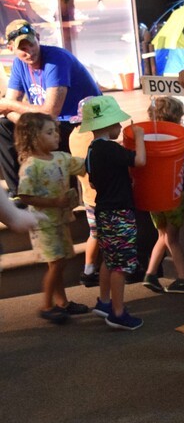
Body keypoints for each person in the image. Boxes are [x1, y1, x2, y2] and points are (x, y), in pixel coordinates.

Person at [0, 20, 101, 199]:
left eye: (32, 44)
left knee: (46, 131)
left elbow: (49, 112)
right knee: (3, 127)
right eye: (22, 48)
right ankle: (20, 195)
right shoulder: (18, 64)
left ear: (38, 38)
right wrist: (28, 124)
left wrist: (8, 105)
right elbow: (8, 108)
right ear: (11, 48)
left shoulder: (56, 59)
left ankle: (64, 193)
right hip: (50, 122)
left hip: (80, 121)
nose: (29, 52)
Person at [14, 112, 89, 324]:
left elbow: (84, 164)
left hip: (60, 221)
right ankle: (46, 305)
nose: (56, 135)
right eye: (49, 132)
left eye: (55, 131)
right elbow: (25, 195)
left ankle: (61, 302)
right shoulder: (31, 166)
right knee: (57, 263)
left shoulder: (61, 158)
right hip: (43, 224)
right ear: (33, 137)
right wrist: (55, 202)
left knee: (60, 263)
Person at [79, 95, 146, 331]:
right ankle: (118, 313)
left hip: (103, 211)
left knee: (109, 259)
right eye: (117, 123)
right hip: (120, 214)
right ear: (107, 125)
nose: (119, 127)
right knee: (121, 265)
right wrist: (139, 137)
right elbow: (140, 161)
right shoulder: (110, 148)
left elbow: (95, 182)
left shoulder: (92, 150)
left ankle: (105, 301)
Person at [142, 96, 184, 294]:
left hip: (153, 196)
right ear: (177, 117)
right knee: (172, 239)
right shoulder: (179, 141)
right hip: (173, 196)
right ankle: (183, 278)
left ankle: (150, 273)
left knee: (162, 234)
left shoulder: (147, 140)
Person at [69, 97, 100, 288]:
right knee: (110, 235)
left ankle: (88, 270)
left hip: (88, 197)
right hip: (103, 197)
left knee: (94, 234)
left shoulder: (74, 135)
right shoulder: (94, 138)